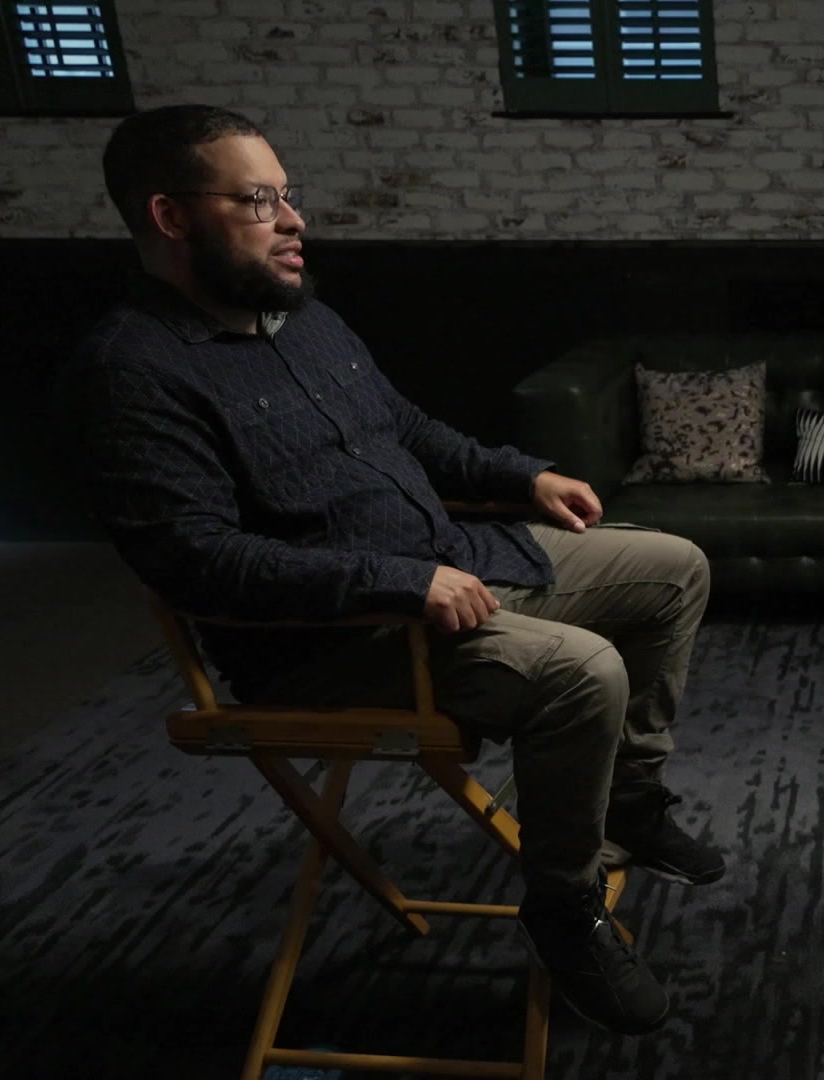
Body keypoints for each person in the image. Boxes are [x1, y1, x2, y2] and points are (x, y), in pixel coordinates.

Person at [63, 105, 718, 1036]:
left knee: (672, 566)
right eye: (259, 200)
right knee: (582, 671)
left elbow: (406, 431)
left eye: (288, 195)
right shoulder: (129, 371)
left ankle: (633, 803)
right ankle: (565, 911)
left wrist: (521, 477)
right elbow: (195, 563)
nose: (294, 220)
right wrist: (400, 584)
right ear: (171, 217)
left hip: (447, 565)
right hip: (336, 642)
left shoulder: (302, 318)